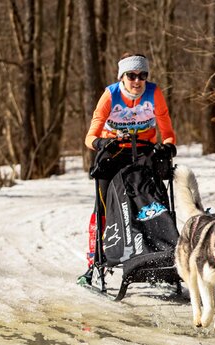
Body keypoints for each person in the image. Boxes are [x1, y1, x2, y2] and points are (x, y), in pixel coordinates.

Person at [79, 52, 177, 285]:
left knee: (152, 202)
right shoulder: (110, 95)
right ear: (122, 76)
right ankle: (93, 262)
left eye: (142, 75)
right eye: (131, 75)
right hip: (113, 154)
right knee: (102, 206)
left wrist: (167, 149)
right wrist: (102, 143)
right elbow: (89, 136)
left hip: (143, 153)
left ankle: (158, 253)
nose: (137, 81)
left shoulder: (154, 94)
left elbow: (169, 134)